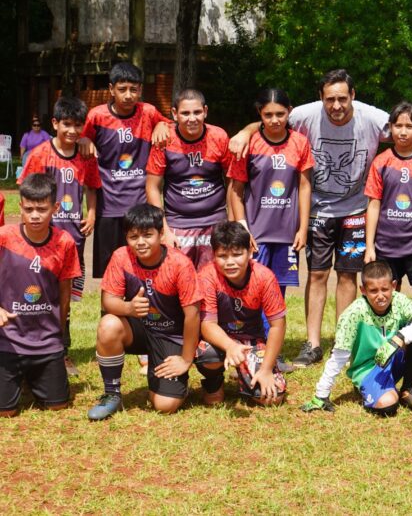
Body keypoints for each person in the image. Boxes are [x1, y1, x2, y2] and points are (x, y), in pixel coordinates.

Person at [229, 70, 412, 369]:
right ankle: (313, 344)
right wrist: (244, 132)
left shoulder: (372, 117)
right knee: (316, 275)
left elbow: (407, 125)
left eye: (342, 98)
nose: (336, 105)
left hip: (355, 210)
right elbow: (270, 118)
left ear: (353, 95)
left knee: (347, 276)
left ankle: (344, 340)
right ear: (321, 98)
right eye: (330, 99)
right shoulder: (305, 114)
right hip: (317, 210)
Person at [87, 204, 202, 421]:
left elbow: (193, 315)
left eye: (148, 235)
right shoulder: (121, 257)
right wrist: (128, 308)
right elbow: (108, 301)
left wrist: (186, 359)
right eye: (133, 236)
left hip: (169, 334)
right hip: (138, 328)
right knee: (108, 324)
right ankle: (112, 394)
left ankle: (176, 386)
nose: (140, 242)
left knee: (164, 405)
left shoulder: (180, 264)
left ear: (161, 234)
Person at [17, 96, 100, 376]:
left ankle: (61, 352)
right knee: (36, 293)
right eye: (67, 124)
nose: (72, 131)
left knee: (64, 299)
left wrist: (91, 214)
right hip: (43, 241)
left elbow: (92, 187)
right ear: (55, 123)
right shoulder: (40, 154)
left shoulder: (86, 156)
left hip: (73, 240)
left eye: (78, 125)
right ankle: (27, 349)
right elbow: (26, 192)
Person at [301, 260, 412, 415]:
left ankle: (408, 390)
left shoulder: (398, 300)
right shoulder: (353, 314)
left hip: (393, 359)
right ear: (363, 290)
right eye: (373, 291)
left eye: (385, 289)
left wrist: (399, 338)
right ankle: (371, 388)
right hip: (368, 369)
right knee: (388, 405)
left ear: (393, 286)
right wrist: (322, 393)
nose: (380, 296)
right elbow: (339, 356)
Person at [78, 62, 172, 279]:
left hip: (140, 207)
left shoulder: (148, 112)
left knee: (142, 269)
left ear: (140, 89)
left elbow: (171, 125)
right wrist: (84, 140)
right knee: (110, 273)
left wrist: (162, 124)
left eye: (133, 89)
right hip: (107, 208)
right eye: (122, 89)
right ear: (111, 89)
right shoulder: (97, 116)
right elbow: (81, 139)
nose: (128, 95)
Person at [0, 174, 80, 417]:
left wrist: (58, 335)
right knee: (5, 412)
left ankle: (35, 375)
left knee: (57, 406)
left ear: (55, 208)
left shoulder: (64, 242)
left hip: (46, 341)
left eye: (42, 209)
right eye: (29, 209)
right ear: (20, 207)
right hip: (7, 340)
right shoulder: (4, 237)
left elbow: (65, 293)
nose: (35, 215)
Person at [227, 88, 312, 298]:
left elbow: (304, 187)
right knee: (252, 290)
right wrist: (243, 228)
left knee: (277, 292)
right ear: (260, 113)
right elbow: (236, 190)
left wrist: (302, 228)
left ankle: (274, 323)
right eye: (268, 115)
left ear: (289, 111)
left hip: (287, 234)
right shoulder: (248, 144)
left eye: (280, 114)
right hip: (255, 234)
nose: (275, 120)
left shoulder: (300, 142)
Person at [195, 221, 287, 406]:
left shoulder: (264, 277)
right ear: (214, 255)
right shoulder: (207, 276)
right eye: (222, 256)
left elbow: (278, 326)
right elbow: (207, 324)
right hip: (219, 340)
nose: (230, 262)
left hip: (251, 340)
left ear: (250, 251)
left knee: (272, 398)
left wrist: (266, 369)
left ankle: (248, 374)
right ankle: (213, 384)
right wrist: (230, 346)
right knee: (207, 354)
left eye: (237, 254)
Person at [145, 89, 232, 270]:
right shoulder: (164, 139)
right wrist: (164, 230)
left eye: (197, 112)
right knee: (177, 277)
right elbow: (152, 187)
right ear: (175, 114)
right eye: (185, 113)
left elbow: (233, 181)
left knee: (213, 279)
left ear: (205, 111)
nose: (192, 118)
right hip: (178, 224)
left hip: (215, 222)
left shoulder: (219, 137)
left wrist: (231, 223)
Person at [364, 101, 412, 306]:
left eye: (409, 126)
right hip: (386, 245)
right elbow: (373, 204)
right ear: (390, 127)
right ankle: (393, 329)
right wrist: (370, 246)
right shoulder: (381, 161)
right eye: (398, 126)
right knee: (387, 295)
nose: (403, 132)